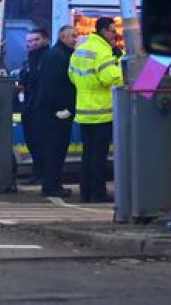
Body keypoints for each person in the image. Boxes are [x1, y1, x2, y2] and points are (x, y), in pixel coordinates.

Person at [70, 17, 124, 203]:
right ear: (102, 30)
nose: (114, 33)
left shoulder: (82, 48)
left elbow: (72, 75)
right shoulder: (102, 51)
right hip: (102, 111)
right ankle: (98, 193)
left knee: (88, 154)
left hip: (84, 110)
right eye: (111, 29)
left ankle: (85, 191)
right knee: (99, 156)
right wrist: (122, 68)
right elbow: (109, 78)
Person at [33, 26, 78, 198]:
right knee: (55, 150)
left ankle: (53, 184)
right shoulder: (57, 56)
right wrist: (60, 109)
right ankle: (52, 186)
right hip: (54, 113)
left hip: (54, 111)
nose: (75, 39)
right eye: (72, 36)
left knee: (56, 150)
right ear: (62, 37)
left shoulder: (58, 54)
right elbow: (53, 86)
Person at [17, 28, 50, 183]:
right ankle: (38, 173)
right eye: (29, 41)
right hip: (30, 107)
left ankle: (43, 174)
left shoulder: (47, 58)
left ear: (45, 40)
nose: (32, 44)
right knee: (32, 141)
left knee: (42, 142)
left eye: (36, 40)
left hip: (42, 108)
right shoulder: (29, 60)